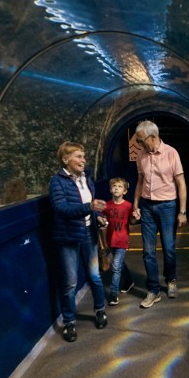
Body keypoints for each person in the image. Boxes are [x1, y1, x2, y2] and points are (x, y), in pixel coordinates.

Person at [48, 141, 108, 342]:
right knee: (70, 284)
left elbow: (88, 208)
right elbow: (61, 208)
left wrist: (97, 216)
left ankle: (100, 310)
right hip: (68, 238)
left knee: (95, 276)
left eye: (84, 156)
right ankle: (70, 322)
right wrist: (88, 207)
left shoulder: (87, 180)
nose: (84, 160)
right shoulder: (57, 182)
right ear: (66, 159)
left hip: (89, 234)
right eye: (78, 156)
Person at [131, 120, 187, 308]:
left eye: (140, 140)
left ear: (152, 137)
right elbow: (139, 181)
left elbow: (181, 184)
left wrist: (182, 211)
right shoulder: (141, 156)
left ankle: (170, 280)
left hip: (167, 207)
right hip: (147, 206)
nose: (138, 144)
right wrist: (136, 205)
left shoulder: (172, 153)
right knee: (148, 251)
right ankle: (153, 289)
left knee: (169, 248)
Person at [103, 177, 135, 305]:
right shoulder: (107, 205)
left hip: (122, 240)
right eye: (114, 186)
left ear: (125, 191)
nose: (116, 188)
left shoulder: (128, 206)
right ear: (110, 189)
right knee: (119, 264)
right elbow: (103, 219)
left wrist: (136, 216)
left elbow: (132, 221)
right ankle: (129, 281)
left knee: (116, 267)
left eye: (120, 186)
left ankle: (113, 294)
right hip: (110, 240)